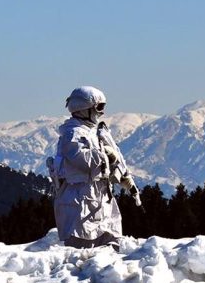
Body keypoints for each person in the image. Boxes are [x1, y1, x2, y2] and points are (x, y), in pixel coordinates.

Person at [49, 86, 139, 251]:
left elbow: (115, 157)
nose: (102, 112)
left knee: (111, 242)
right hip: (81, 199)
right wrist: (107, 155)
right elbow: (83, 160)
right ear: (85, 108)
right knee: (83, 247)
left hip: (102, 196)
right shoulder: (72, 134)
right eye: (99, 107)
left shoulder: (97, 132)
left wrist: (124, 176)